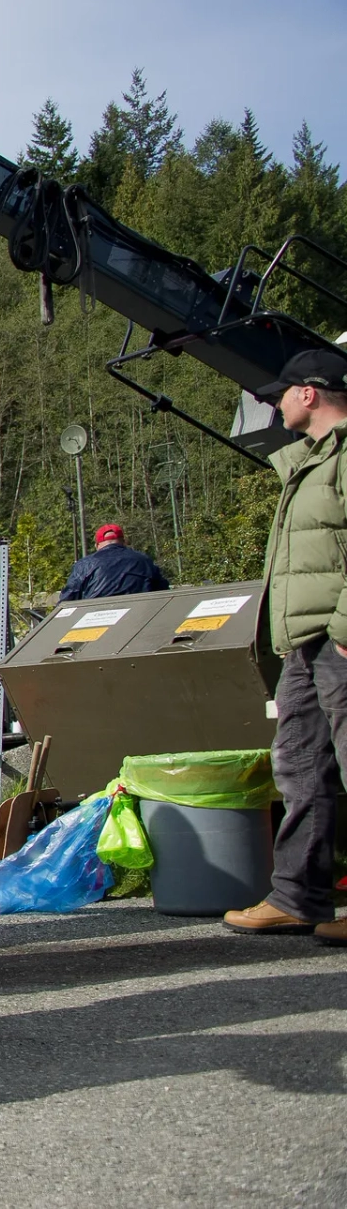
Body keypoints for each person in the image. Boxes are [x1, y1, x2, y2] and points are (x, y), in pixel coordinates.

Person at [225, 348, 347, 943]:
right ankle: (298, 898)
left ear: (309, 394)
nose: (274, 403)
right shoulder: (306, 462)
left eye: (282, 393)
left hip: (339, 638)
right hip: (303, 640)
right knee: (300, 767)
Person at [58, 524, 170, 601]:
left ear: (97, 545)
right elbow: (162, 591)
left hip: (96, 619)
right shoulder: (144, 560)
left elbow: (69, 598)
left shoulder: (84, 565)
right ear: (124, 542)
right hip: (138, 618)